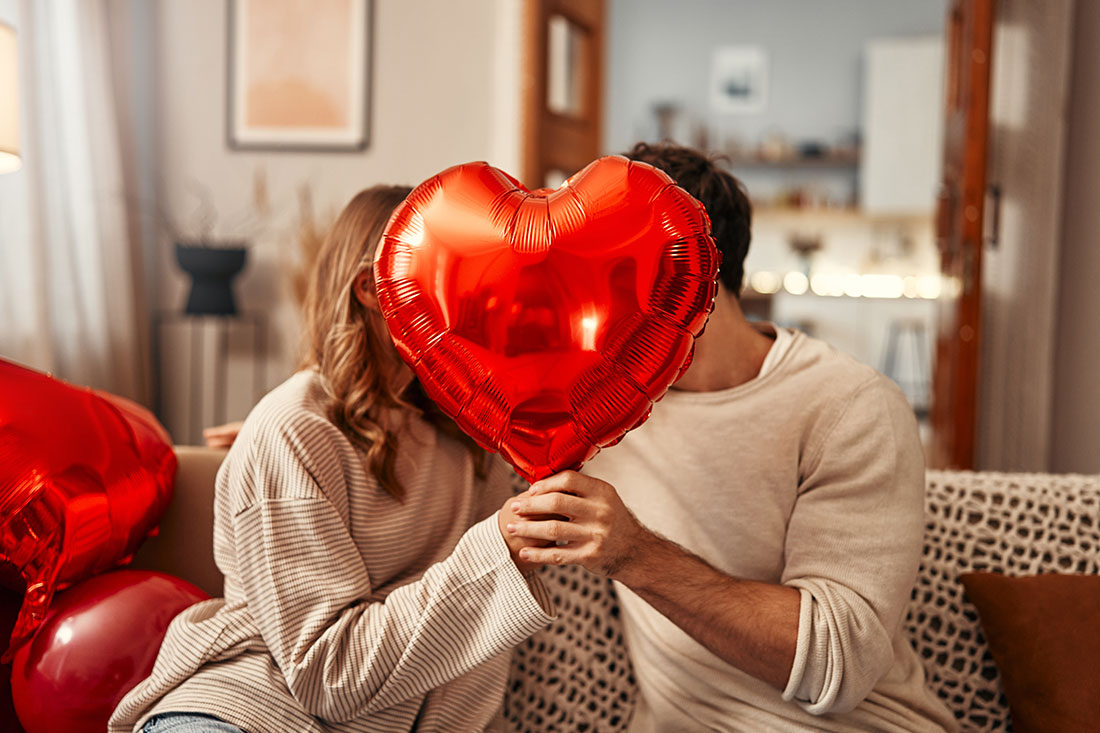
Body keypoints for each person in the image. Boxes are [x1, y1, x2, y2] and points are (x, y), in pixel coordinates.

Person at [506, 143, 959, 732]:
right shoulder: (589, 405)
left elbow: (836, 664)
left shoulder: (850, 406)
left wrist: (637, 555)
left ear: (693, 272)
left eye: (612, 268)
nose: (589, 299)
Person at [109, 186, 555, 733]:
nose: (477, 292)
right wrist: (497, 551)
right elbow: (327, 670)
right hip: (248, 711)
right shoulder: (294, 429)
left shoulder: (470, 445)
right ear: (372, 287)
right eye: (451, 267)